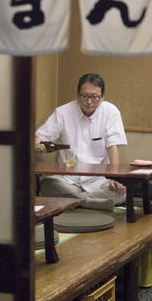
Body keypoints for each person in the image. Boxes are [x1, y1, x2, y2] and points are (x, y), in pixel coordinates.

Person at [34, 73, 127, 212]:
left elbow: (112, 146)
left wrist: (115, 178)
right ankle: (89, 202)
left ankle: (73, 202)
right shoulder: (62, 113)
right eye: (85, 96)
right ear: (78, 94)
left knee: (121, 193)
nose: (89, 101)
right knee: (47, 184)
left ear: (102, 97)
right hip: (67, 179)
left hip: (97, 180)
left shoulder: (110, 112)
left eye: (94, 97)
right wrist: (37, 141)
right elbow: (40, 137)